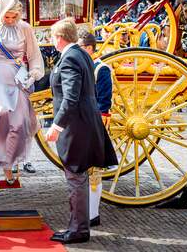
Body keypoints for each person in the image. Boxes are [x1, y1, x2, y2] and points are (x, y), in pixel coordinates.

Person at [45, 18, 117, 244]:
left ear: (59, 38)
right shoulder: (81, 54)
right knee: (79, 178)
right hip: (85, 122)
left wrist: (57, 125)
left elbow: (70, 97)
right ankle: (78, 227)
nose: (51, 41)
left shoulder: (69, 59)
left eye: (52, 37)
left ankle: (78, 230)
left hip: (75, 127)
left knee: (75, 177)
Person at [0, 0, 44, 185]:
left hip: (18, 75)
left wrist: (34, 73)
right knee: (3, 112)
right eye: (6, 16)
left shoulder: (25, 28)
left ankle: (10, 163)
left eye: (13, 17)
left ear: (19, 15)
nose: (9, 20)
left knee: (18, 124)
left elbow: (33, 55)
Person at [77, 32, 116, 227]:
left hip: (93, 125)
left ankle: (93, 214)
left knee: (94, 173)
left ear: (89, 49)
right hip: (82, 124)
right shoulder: (84, 67)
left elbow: (104, 103)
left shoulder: (101, 69)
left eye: (81, 47)